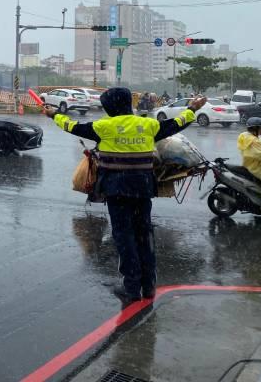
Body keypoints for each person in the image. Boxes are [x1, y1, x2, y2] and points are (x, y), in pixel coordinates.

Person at [44, 87, 207, 304]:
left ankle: (131, 287)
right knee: (144, 234)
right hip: (142, 189)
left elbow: (72, 126)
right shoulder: (148, 125)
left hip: (116, 190)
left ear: (110, 106)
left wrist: (54, 114)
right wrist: (192, 108)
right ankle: (149, 286)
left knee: (124, 237)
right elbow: (176, 124)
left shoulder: (103, 126)